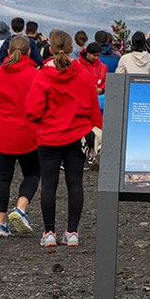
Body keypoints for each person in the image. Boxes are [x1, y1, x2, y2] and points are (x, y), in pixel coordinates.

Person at [26, 30, 103, 249]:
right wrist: (96, 130)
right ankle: (72, 232)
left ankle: (49, 232)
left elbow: (33, 109)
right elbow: (93, 107)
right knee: (75, 183)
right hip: (77, 135)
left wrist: (43, 121)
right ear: (72, 49)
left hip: (49, 137)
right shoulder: (83, 73)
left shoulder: (42, 75)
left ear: (50, 49)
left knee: (49, 185)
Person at [0, 35, 41, 237]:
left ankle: (0, 224)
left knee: (2, 178)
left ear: (7, 52)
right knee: (33, 173)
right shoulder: (34, 75)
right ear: (29, 52)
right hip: (28, 134)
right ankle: (20, 208)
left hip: (2, 134)